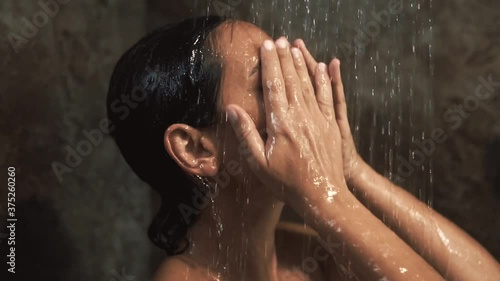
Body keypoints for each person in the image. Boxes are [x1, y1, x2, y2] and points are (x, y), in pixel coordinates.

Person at [106, 16, 500, 281]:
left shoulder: (306, 255)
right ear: (196, 149)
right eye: (270, 83)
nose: (305, 94)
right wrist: (326, 199)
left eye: (290, 72)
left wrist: (350, 171)